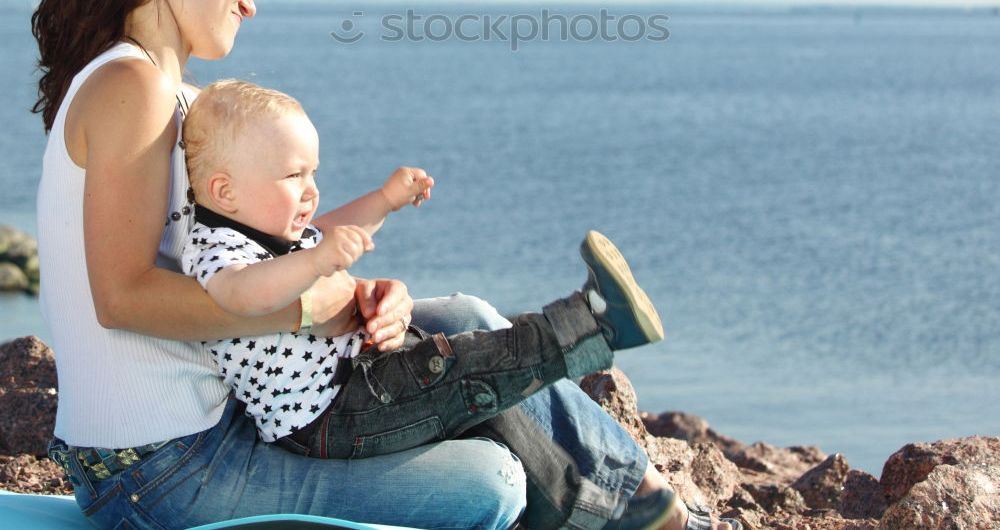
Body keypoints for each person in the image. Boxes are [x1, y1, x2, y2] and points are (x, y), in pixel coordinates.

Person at [32, 0, 739, 530]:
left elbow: (259, 251)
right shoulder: (132, 88)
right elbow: (121, 297)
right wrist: (314, 305)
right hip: (160, 470)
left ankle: (646, 505)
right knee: (490, 482)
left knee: (462, 317)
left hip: (237, 407)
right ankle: (629, 512)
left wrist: (361, 293)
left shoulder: (177, 97)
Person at [180, 78, 667, 464]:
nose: (311, 190)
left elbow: (333, 225)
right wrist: (314, 262)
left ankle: (589, 501)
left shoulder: (271, 227)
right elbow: (241, 297)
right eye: (293, 175)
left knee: (474, 382)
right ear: (225, 193)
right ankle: (593, 323)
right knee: (467, 368)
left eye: (314, 172)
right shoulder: (218, 250)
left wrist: (386, 200)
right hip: (328, 417)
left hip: (358, 380)